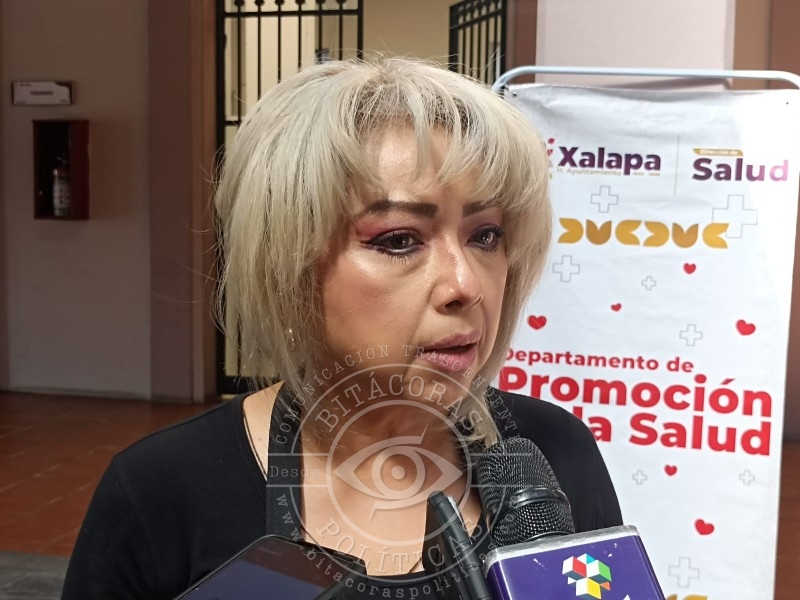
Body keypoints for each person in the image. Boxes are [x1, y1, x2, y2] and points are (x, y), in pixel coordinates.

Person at [62, 57, 621, 599]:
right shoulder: (161, 488)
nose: (465, 284)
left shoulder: (556, 451)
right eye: (399, 239)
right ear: (289, 265)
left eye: (486, 235)